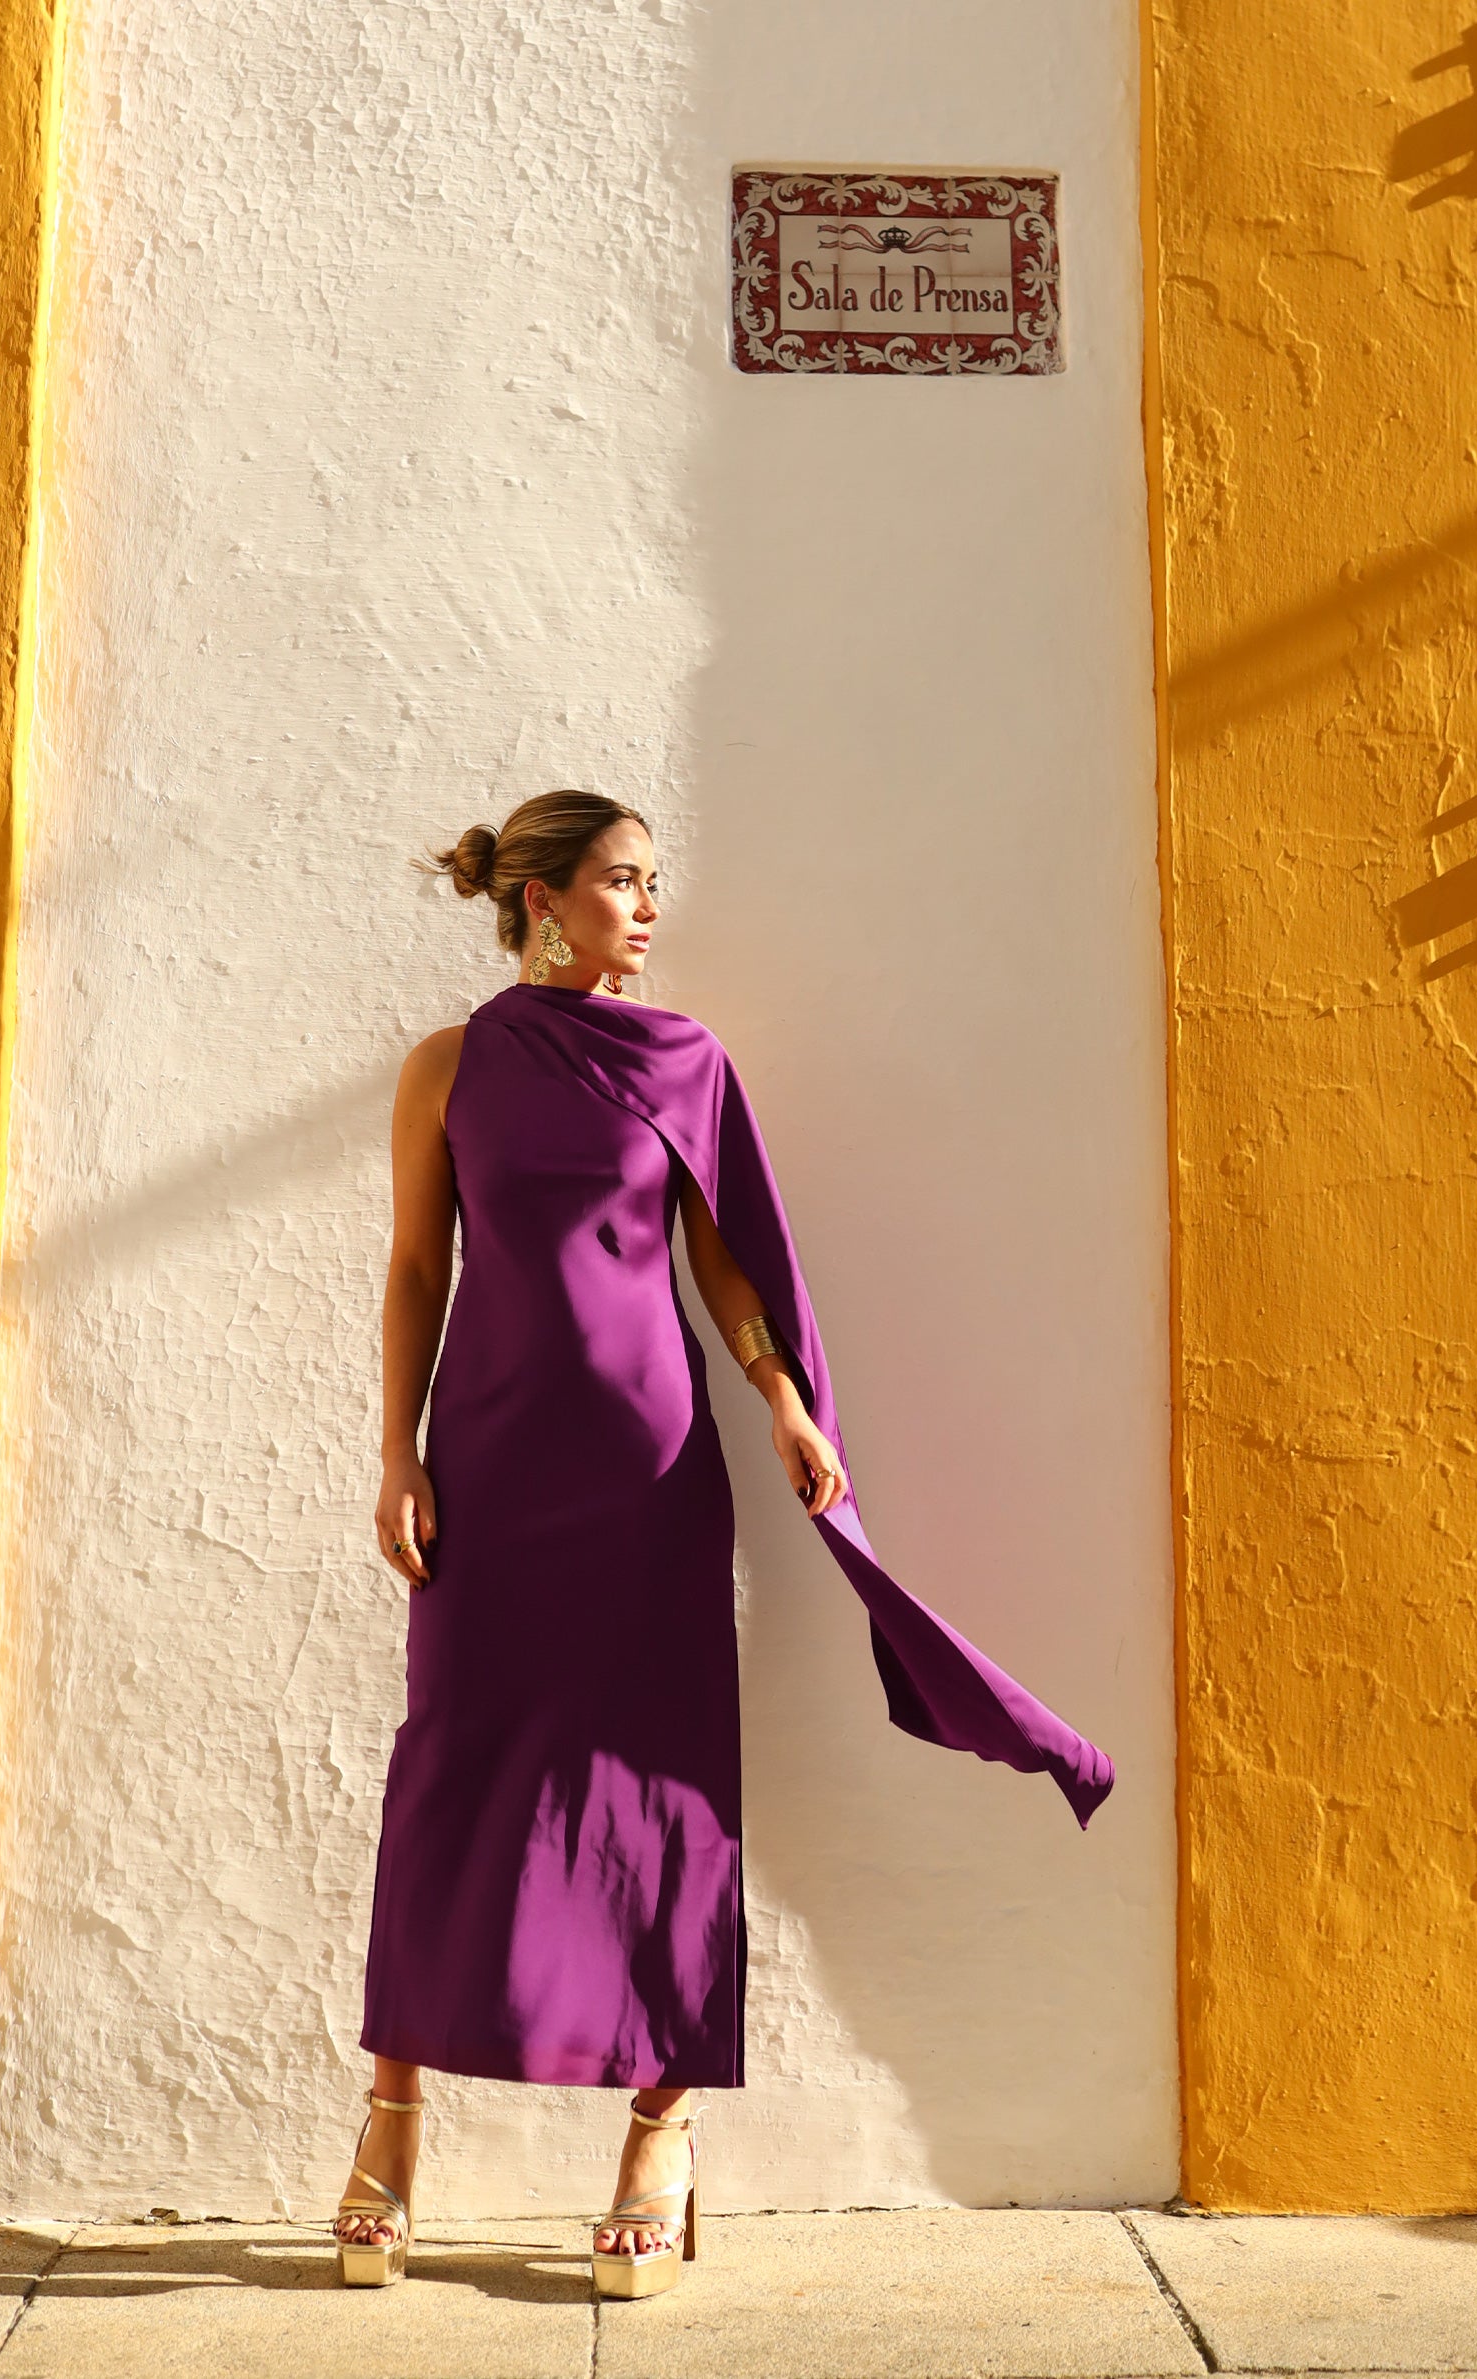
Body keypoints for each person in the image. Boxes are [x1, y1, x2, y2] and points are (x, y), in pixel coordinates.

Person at [336, 790, 1113, 2298]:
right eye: (623, 881)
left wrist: (783, 1399)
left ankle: (662, 2133)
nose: (649, 906)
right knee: (450, 1776)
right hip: (491, 1474)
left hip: (650, 1478)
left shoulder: (683, 1062)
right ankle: (392, 2122)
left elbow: (723, 1260)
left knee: (668, 1787)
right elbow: (419, 1264)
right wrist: (395, 1451)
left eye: (652, 881)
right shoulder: (451, 1067)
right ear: (545, 900)